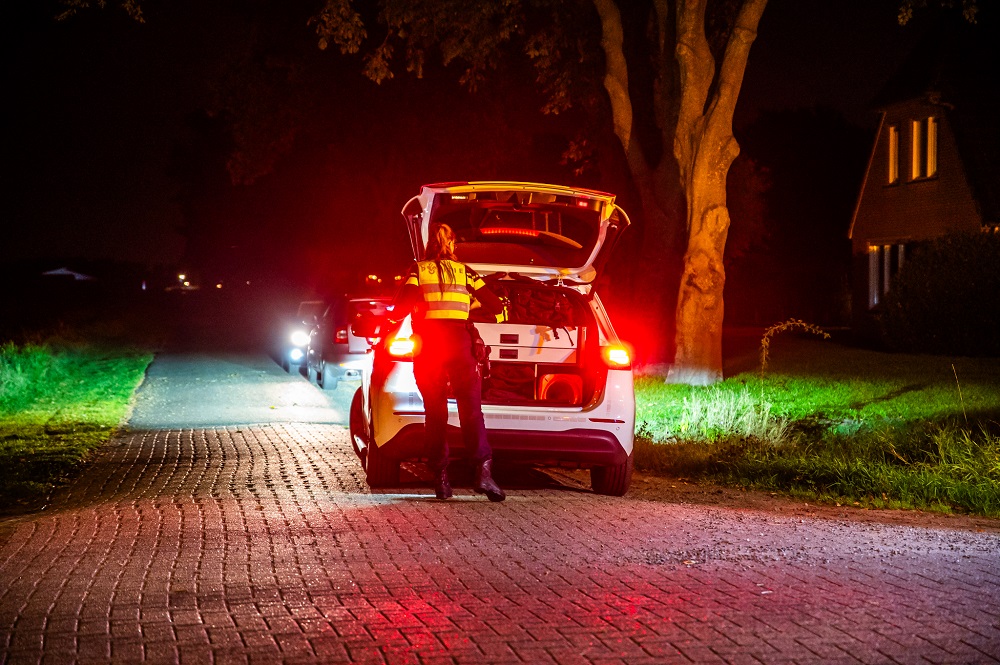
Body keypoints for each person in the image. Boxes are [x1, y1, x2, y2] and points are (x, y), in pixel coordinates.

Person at [391, 223, 506, 501]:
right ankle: (483, 473)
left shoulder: (418, 270)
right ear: (452, 244)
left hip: (430, 347)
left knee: (435, 411)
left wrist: (398, 315)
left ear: (430, 245)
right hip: (460, 347)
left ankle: (441, 479)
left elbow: (399, 309)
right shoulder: (466, 272)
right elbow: (497, 309)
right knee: (471, 410)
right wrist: (475, 310)